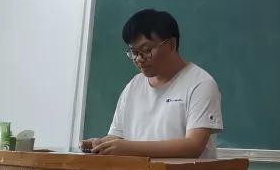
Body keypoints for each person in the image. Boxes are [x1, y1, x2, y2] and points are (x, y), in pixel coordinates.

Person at [81, 9, 223, 158]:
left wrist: (128, 148)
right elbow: (118, 137)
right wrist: (100, 144)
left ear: (171, 44)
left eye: (146, 50)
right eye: (134, 52)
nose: (139, 59)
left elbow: (193, 145)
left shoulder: (200, 84)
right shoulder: (134, 86)